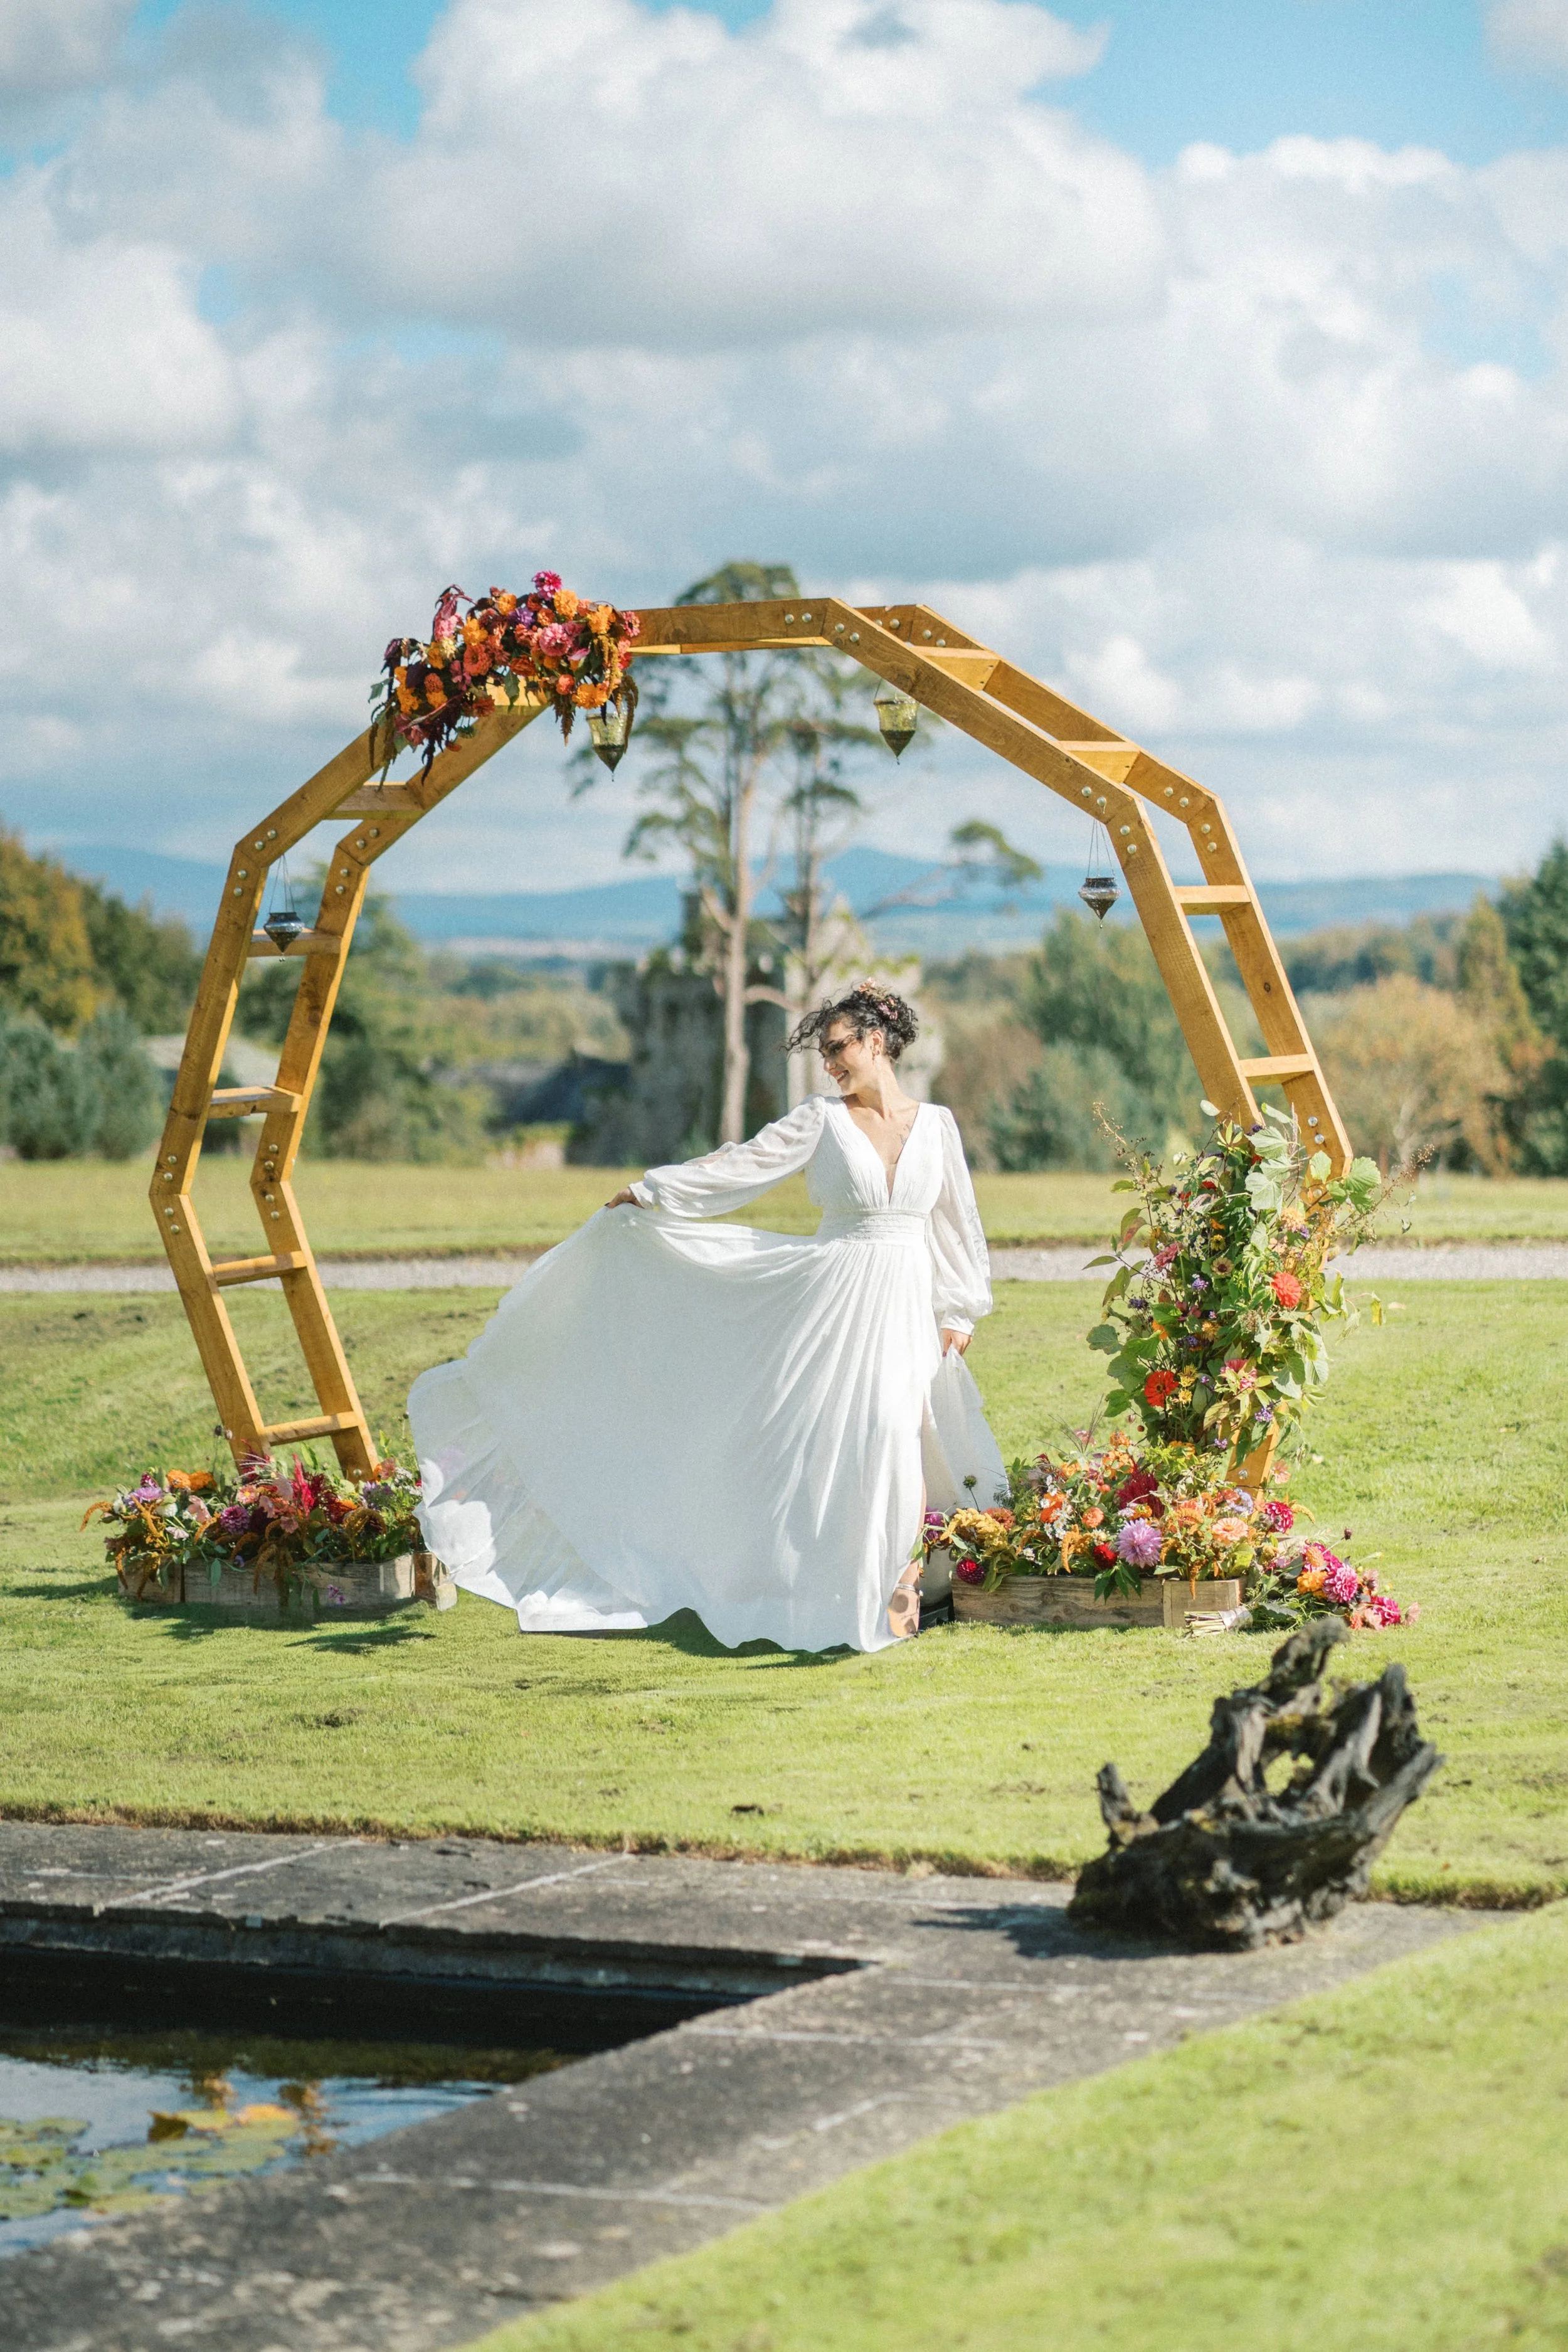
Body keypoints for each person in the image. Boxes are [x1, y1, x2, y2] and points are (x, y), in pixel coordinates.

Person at [408, 983, 1006, 1653]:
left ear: (876, 1042)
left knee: (900, 1429)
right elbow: (742, 1165)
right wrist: (653, 1191)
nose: (829, 1062)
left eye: (837, 1048)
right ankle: (835, 1582)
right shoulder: (821, 1119)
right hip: (834, 1300)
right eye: (822, 1051)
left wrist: (959, 1310)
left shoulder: (938, 1126)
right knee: (841, 1436)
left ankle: (899, 1579)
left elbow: (958, 1226)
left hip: (904, 1302)